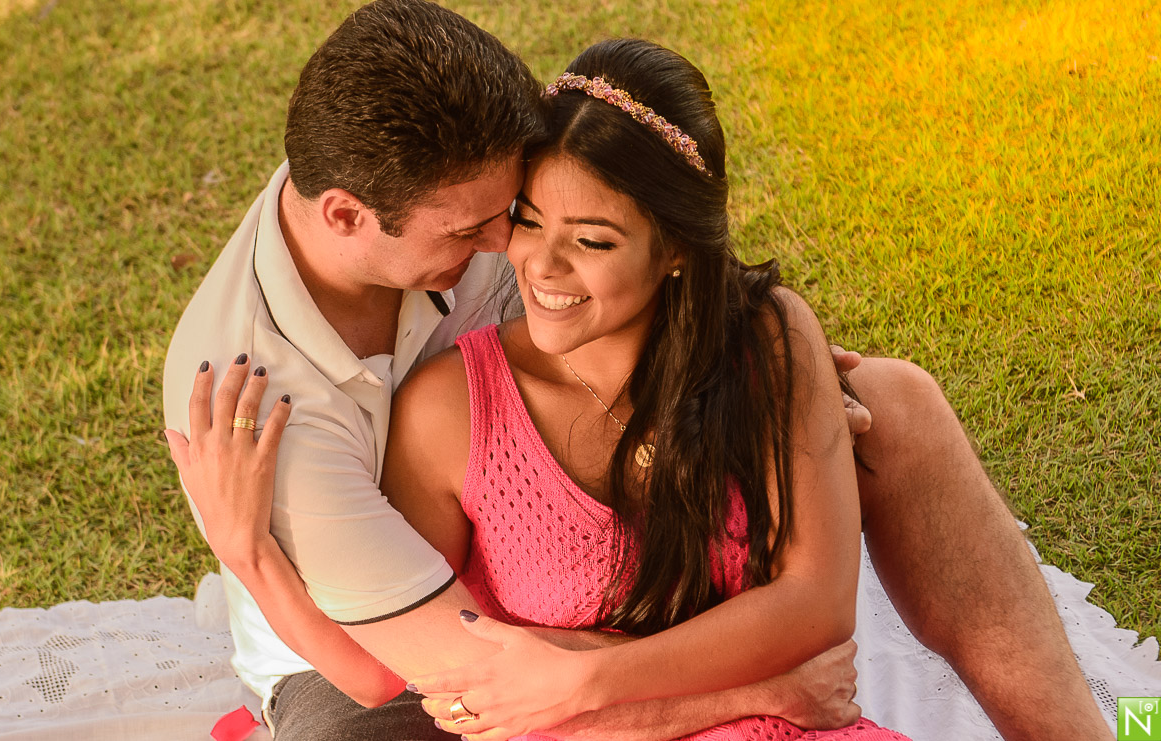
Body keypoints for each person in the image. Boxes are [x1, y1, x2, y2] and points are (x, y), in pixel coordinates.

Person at [163, 2, 1112, 740]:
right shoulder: (256, 400)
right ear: (345, 216)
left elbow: (626, 203)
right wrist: (248, 554)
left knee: (895, 401)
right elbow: (449, 676)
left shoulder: (431, 182)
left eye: (520, 209)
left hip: (564, 506)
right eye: (484, 229)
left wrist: (775, 358)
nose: (512, 250)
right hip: (367, 642)